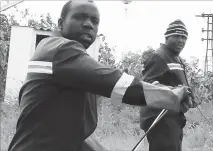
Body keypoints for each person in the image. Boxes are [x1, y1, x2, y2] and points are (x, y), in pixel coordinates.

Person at [7, 1, 193, 151]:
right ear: (61, 23)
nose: (88, 24)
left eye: (94, 21)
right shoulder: (61, 49)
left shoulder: (71, 63)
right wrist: (172, 96)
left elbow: (74, 133)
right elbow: (119, 85)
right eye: (80, 17)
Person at [139, 19, 198, 151]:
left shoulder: (175, 58)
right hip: (160, 119)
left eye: (184, 37)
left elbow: (178, 84)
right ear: (167, 37)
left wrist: (189, 96)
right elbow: (148, 87)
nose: (181, 40)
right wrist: (175, 92)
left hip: (173, 118)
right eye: (176, 36)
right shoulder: (159, 57)